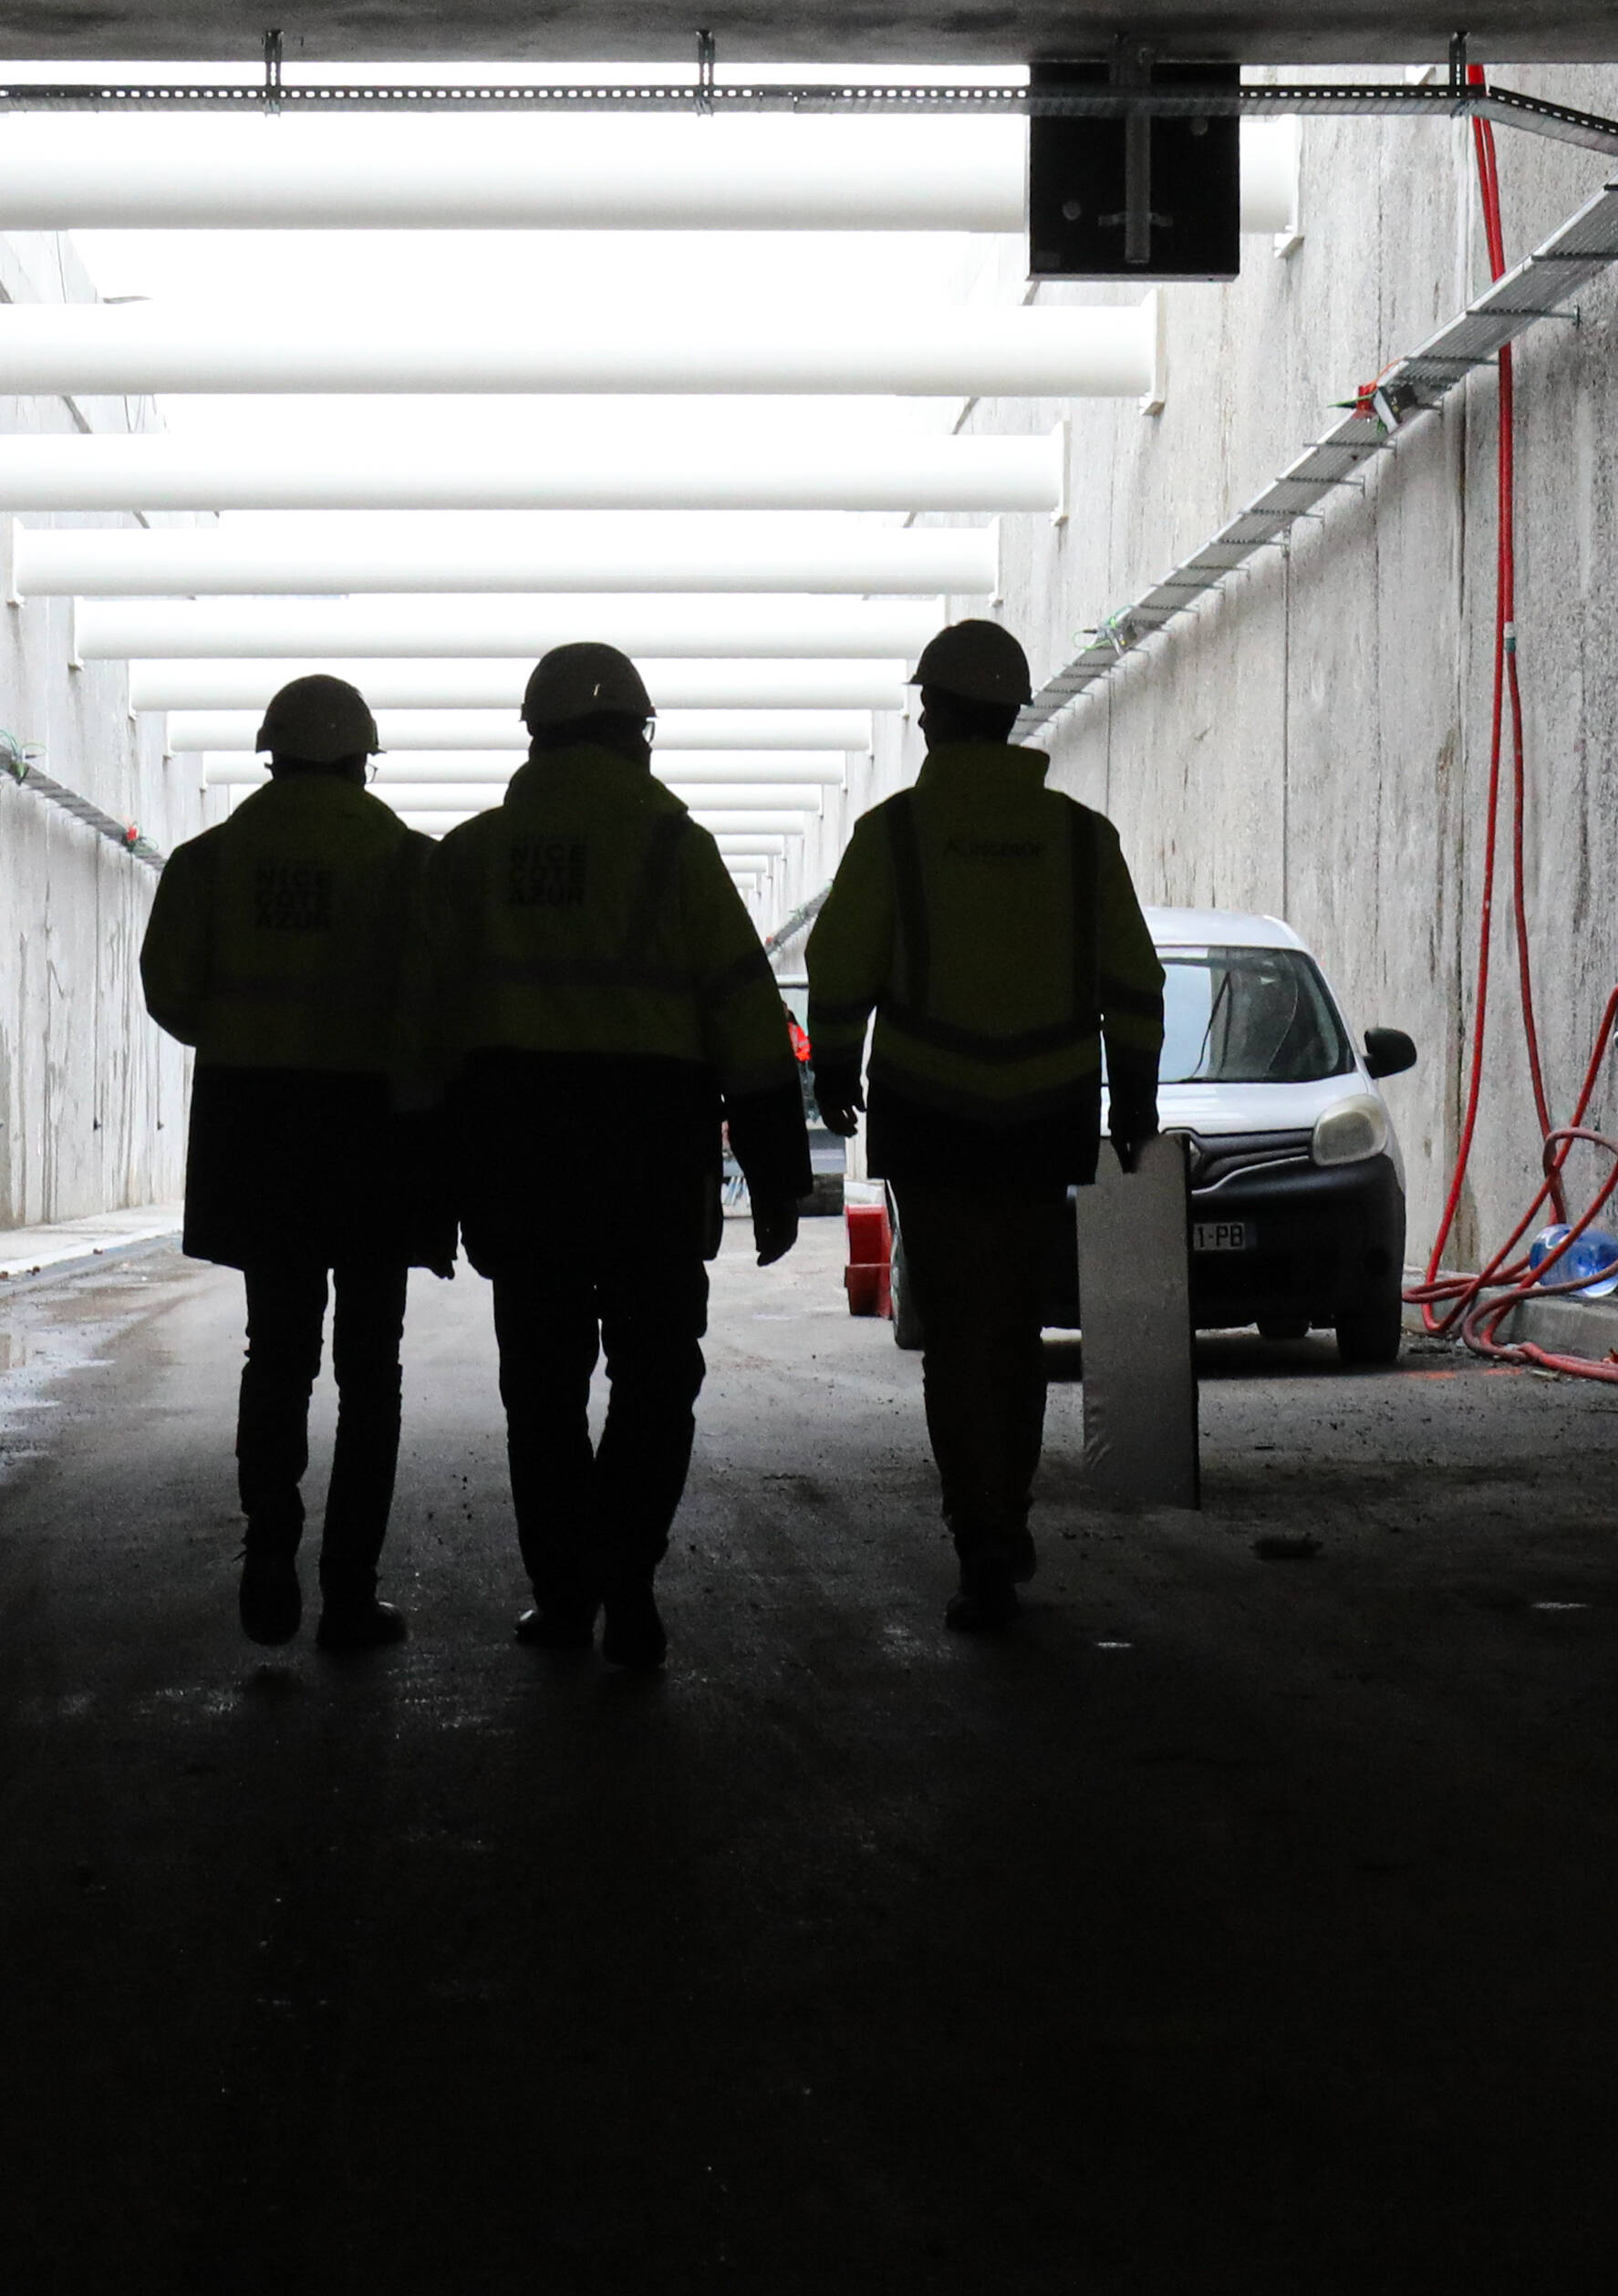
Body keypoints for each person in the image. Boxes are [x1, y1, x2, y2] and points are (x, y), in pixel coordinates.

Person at [420, 643, 808, 1670]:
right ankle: (625, 1574)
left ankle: (562, 1594)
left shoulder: (471, 857)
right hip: (648, 1156)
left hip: (521, 1163)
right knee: (653, 1380)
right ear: (632, 735)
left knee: (540, 1392)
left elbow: (426, 1034)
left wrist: (430, 1184)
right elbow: (745, 1016)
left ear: (537, 735)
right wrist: (777, 1176)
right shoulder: (674, 848)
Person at [804, 617, 1167, 1634]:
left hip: (931, 1110)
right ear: (1013, 717)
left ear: (930, 716)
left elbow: (838, 972)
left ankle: (978, 1540)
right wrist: (1130, 1100)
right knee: (1011, 1328)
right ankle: (1005, 1515)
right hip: (1044, 1112)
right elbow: (1132, 983)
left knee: (956, 1333)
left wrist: (835, 1069)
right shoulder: (1081, 839)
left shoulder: (892, 835)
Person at [139, 671, 448, 1652]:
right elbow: (442, 1002)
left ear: (271, 753)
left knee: (276, 1349)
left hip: (258, 1121)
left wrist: (246, 1035)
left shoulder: (208, 861)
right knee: (371, 1367)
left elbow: (170, 993)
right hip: (373, 1131)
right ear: (362, 759)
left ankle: (268, 1546)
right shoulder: (409, 864)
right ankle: (348, 1591)